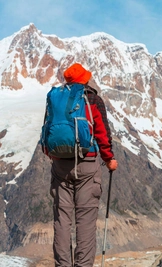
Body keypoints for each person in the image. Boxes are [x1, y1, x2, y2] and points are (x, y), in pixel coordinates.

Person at [48, 63, 118, 266]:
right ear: (85, 79)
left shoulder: (56, 99)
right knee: (85, 222)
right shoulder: (93, 99)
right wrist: (109, 159)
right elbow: (103, 134)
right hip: (88, 164)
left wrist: (53, 156)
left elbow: (48, 130)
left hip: (60, 165)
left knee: (62, 221)